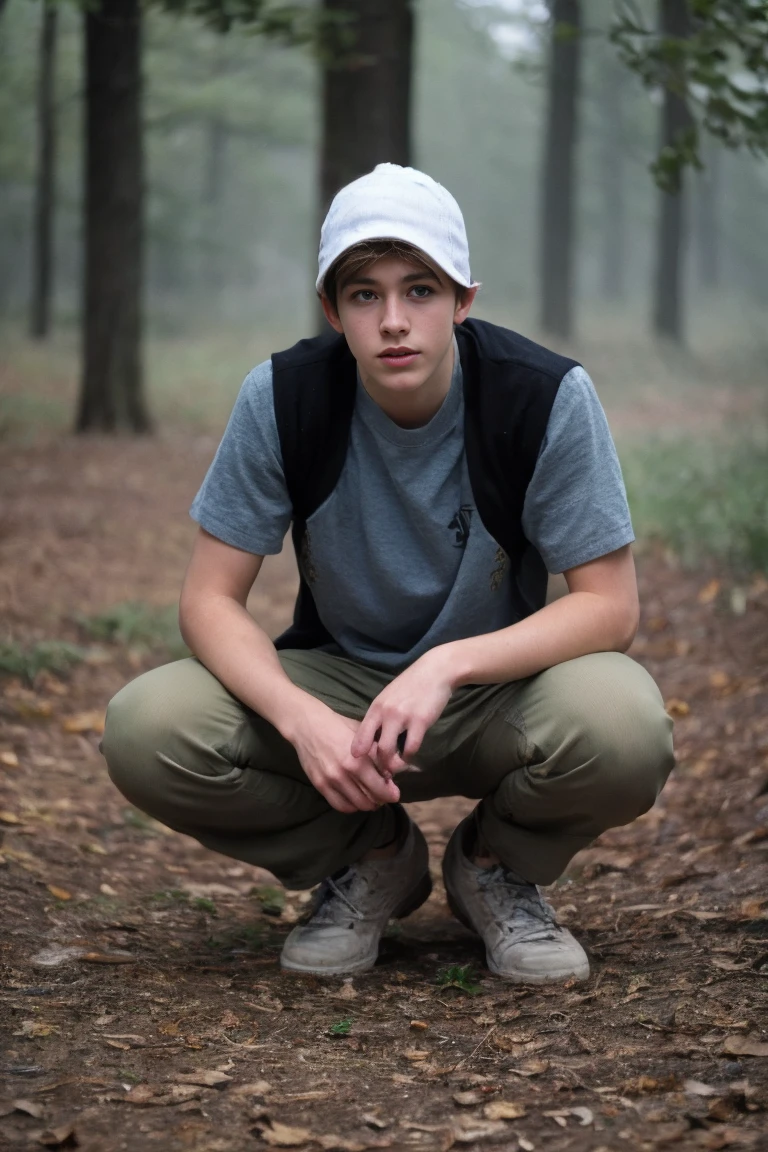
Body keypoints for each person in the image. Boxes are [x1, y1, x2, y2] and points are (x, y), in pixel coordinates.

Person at [102, 163, 674, 984]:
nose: (394, 322)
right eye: (365, 295)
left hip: (497, 691)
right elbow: (208, 599)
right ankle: (372, 856)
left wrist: (447, 664)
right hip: (344, 685)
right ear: (333, 311)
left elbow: (611, 609)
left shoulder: (543, 397)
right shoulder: (285, 397)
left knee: (626, 727)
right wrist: (299, 718)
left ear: (464, 300)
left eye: (421, 290)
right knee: (147, 726)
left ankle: (494, 869)